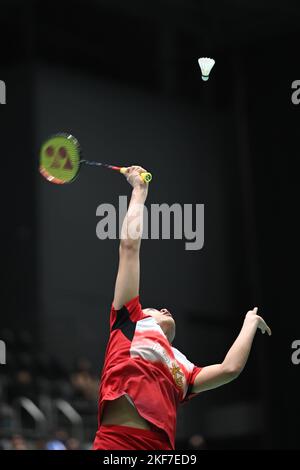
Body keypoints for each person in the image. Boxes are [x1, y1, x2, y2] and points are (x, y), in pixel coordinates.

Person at [92, 165, 271, 450]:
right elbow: (129, 248)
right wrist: (140, 191)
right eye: (154, 309)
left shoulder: (183, 368)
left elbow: (229, 369)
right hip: (118, 444)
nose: (163, 309)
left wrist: (249, 324)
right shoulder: (128, 321)